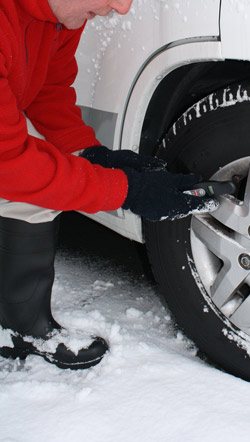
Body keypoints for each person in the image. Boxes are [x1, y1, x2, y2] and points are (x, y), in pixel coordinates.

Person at [0, 0, 216, 370]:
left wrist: (90, 154)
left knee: (38, 187)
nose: (122, 6)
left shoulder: (60, 13)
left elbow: (49, 88)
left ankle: (18, 329)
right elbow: (10, 164)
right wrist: (126, 190)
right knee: (32, 180)